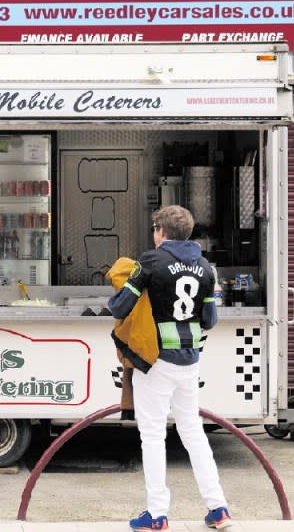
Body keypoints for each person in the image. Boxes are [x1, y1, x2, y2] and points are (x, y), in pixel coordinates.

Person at [107, 205, 232, 532]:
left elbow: (118, 305)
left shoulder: (151, 261)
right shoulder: (206, 268)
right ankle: (218, 508)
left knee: (152, 436)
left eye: (154, 229)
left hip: (156, 361)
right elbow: (210, 319)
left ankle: (157, 514)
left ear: (160, 232)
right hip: (189, 360)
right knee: (192, 432)